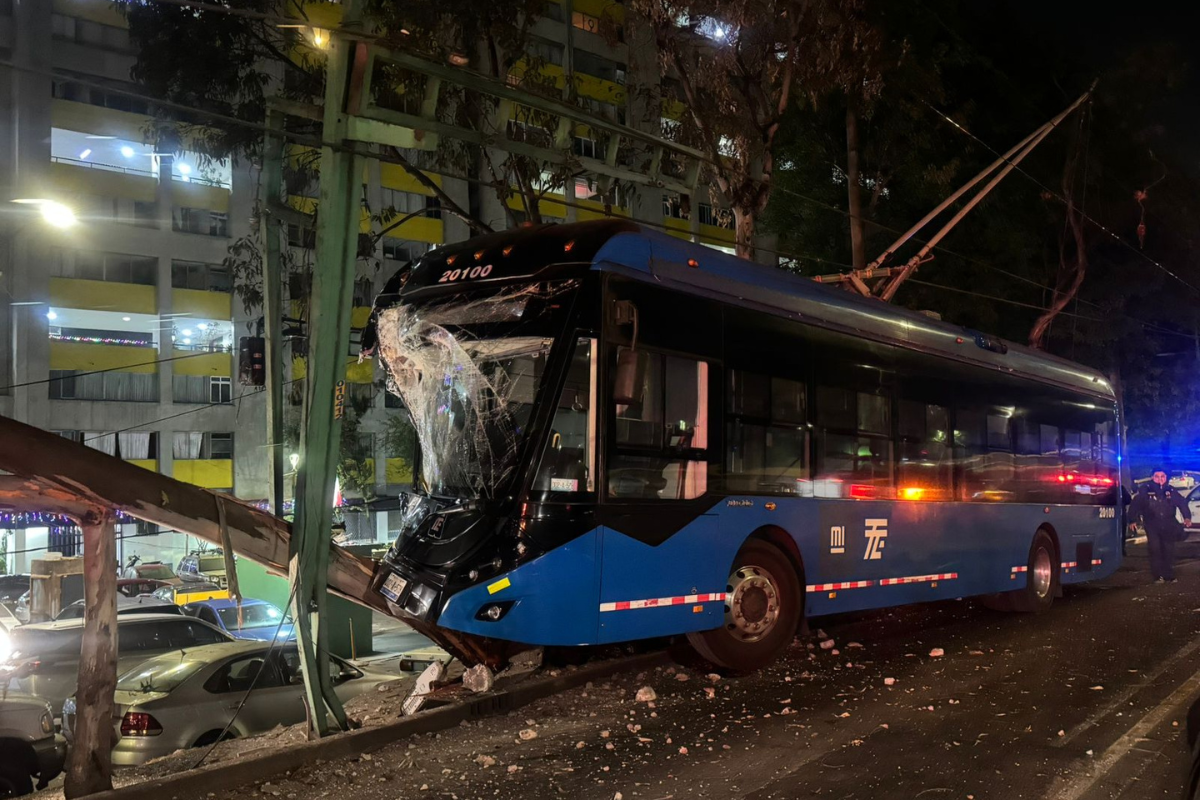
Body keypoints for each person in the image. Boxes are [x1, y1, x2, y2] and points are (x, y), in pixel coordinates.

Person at [1129, 469, 1192, 583]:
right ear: (1152, 477)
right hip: (1152, 524)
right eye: (1157, 476)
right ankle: (1158, 576)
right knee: (1155, 549)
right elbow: (1135, 505)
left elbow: (1182, 503)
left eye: (1162, 476)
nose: (1160, 479)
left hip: (1168, 524)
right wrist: (1133, 520)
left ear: (1166, 478)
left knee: (1168, 550)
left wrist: (1187, 517)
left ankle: (1169, 575)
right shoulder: (1146, 490)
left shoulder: (1170, 490)